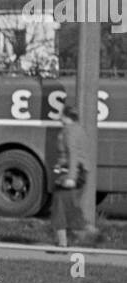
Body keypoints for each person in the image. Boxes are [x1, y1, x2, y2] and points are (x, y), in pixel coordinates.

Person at [51, 103, 97, 247]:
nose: (59, 116)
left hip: (74, 172)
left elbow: (73, 154)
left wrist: (71, 177)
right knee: (67, 206)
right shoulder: (79, 130)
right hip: (79, 171)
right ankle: (85, 234)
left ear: (65, 116)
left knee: (60, 205)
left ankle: (84, 234)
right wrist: (60, 164)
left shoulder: (69, 131)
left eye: (60, 114)